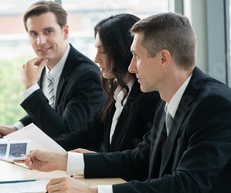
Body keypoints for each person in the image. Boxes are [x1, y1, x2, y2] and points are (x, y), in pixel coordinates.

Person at [22, 12, 231, 193]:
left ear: (163, 59)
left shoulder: (214, 105)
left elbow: (187, 186)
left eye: (136, 57)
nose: (130, 66)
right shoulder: (169, 99)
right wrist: (63, 161)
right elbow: (138, 159)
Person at [0, 0, 104, 139]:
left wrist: (31, 88)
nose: (40, 41)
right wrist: (17, 128)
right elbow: (48, 112)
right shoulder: (45, 66)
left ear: (65, 32)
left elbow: (63, 134)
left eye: (48, 31)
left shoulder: (87, 76)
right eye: (34, 34)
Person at [54, 14, 161, 153]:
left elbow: (136, 161)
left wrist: (88, 160)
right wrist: (39, 148)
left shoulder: (149, 97)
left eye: (103, 51)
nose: (96, 59)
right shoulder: (118, 93)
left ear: (125, 49)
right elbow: (88, 135)